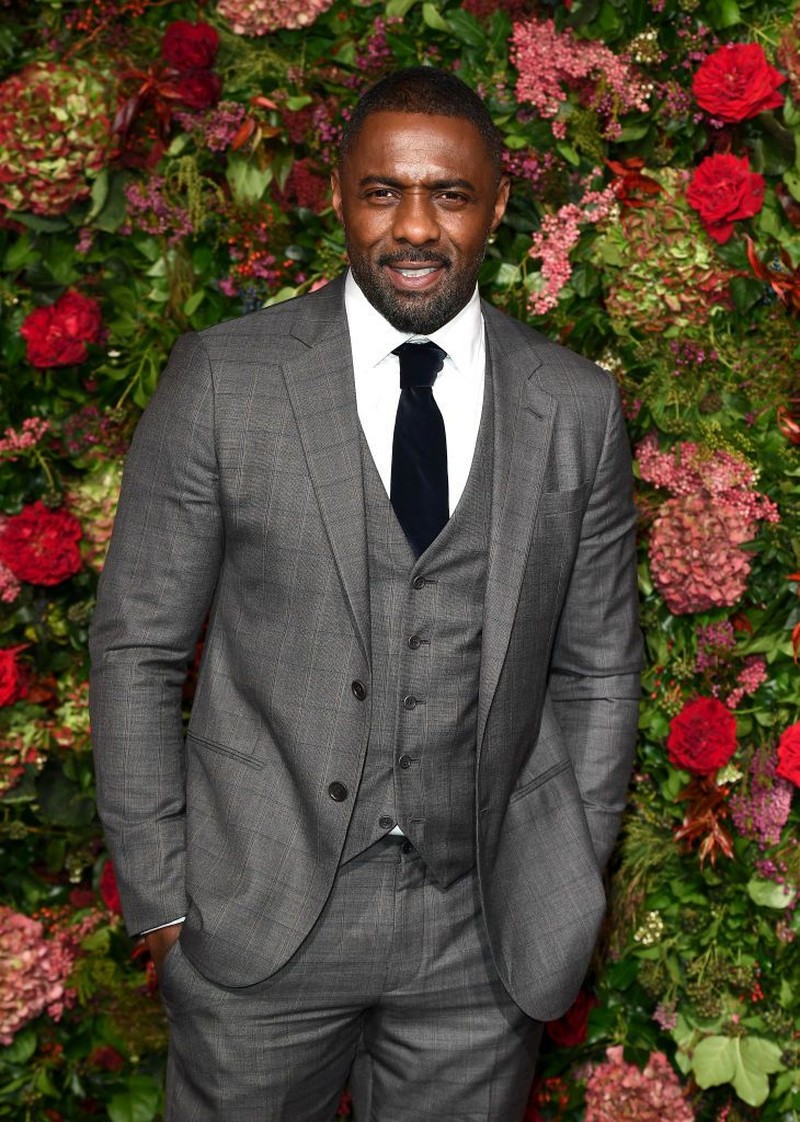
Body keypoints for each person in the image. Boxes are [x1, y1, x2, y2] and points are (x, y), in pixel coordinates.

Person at [90, 66, 642, 1122]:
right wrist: (164, 895)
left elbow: (598, 665)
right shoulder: (225, 379)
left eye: (449, 194)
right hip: (257, 914)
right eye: (383, 191)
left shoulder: (573, 406)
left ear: (495, 206)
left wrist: (564, 864)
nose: (414, 227)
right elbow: (138, 648)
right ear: (337, 193)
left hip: (481, 937)